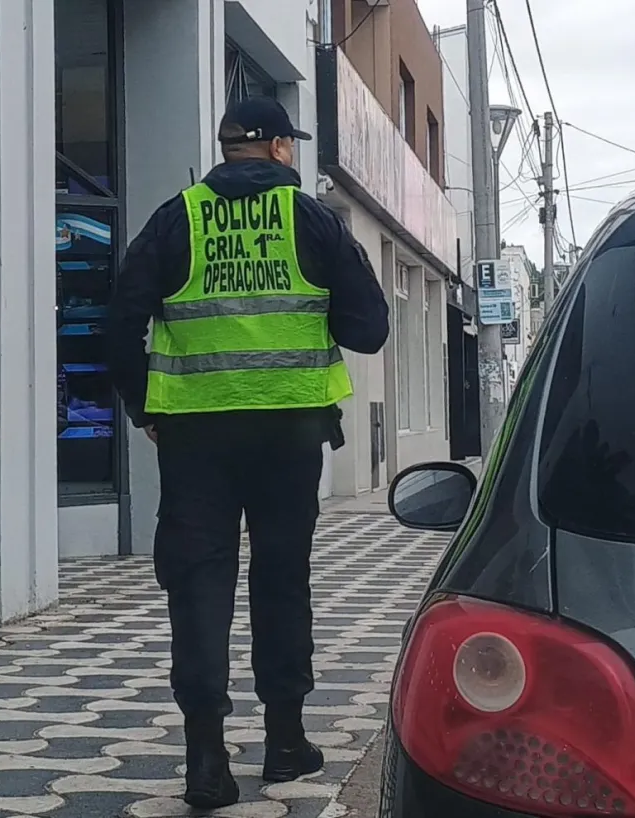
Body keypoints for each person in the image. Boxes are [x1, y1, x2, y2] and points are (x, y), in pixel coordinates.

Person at [106, 97, 389, 809]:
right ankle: (286, 743)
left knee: (197, 586)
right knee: (280, 581)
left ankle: (206, 761)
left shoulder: (180, 217)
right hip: (289, 435)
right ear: (280, 150)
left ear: (228, 148)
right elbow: (370, 330)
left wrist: (147, 407)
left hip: (195, 436)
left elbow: (119, 322)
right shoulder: (314, 221)